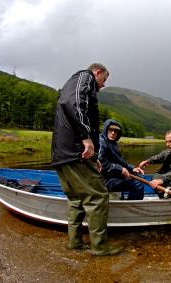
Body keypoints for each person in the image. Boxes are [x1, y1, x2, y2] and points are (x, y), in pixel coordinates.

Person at [51, 63, 122, 256]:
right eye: (104, 79)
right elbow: (72, 103)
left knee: (76, 199)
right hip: (76, 152)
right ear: (97, 72)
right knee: (98, 195)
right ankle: (100, 247)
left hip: (63, 155)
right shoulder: (85, 78)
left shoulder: (73, 82)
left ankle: (75, 242)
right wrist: (85, 138)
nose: (104, 84)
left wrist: (96, 157)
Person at [98, 119, 145, 200]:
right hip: (104, 180)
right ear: (105, 130)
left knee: (139, 176)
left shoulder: (112, 143)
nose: (113, 133)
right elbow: (102, 165)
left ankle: (124, 199)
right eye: (110, 130)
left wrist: (132, 168)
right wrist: (120, 169)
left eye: (115, 131)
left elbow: (120, 162)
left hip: (112, 176)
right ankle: (132, 207)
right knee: (138, 184)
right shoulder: (101, 143)